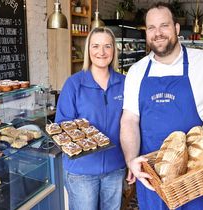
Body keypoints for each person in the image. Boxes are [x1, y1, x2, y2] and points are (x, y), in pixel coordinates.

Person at [120, 2, 203, 210]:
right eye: (151, 28)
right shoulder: (136, 71)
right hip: (153, 176)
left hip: (196, 175)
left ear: (177, 29)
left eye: (164, 26)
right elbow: (129, 120)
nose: (157, 33)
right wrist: (131, 159)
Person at [55, 27, 126, 210]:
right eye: (95, 46)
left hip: (115, 167)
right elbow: (63, 127)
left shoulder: (125, 83)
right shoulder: (74, 84)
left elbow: (133, 123)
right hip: (82, 171)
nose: (101, 52)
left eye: (107, 46)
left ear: (114, 50)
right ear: (88, 50)